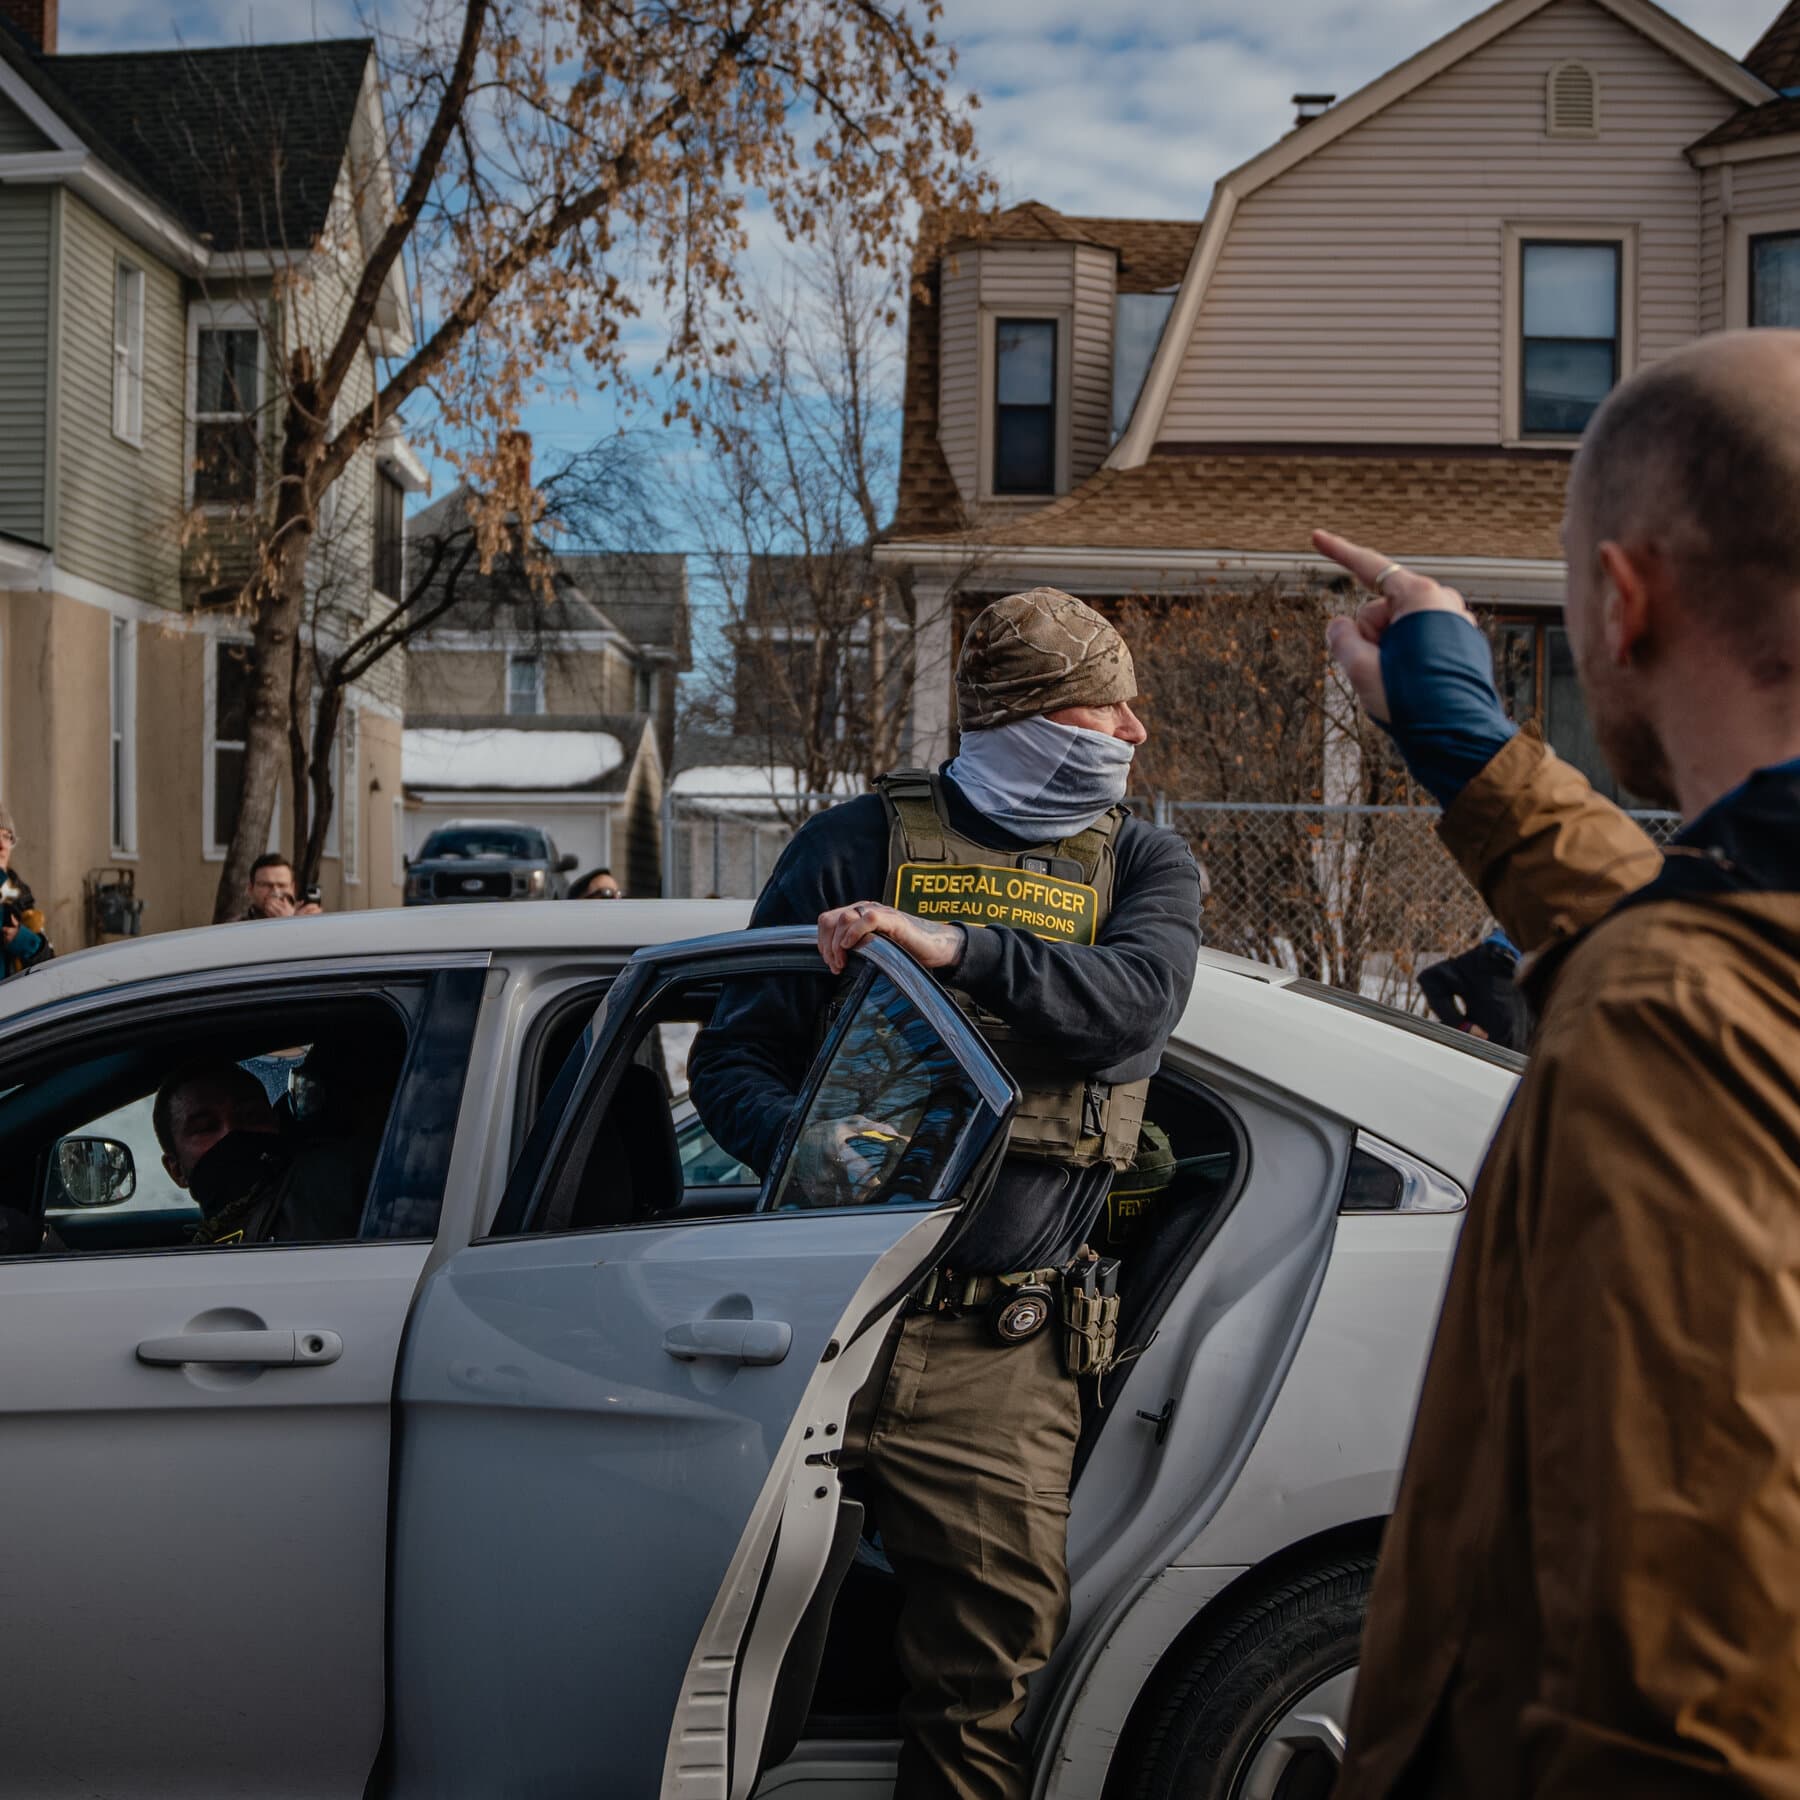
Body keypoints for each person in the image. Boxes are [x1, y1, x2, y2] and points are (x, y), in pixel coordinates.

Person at [1317, 328, 1800, 1798]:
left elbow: (1683, 1700)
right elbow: (1710, 929)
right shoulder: (1725, 963)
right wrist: (1459, 729)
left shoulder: (1668, 1018)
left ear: (1621, 595)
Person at [689, 588, 1201, 1800]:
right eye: (1105, 704)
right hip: (819, 1324)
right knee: (705, 1659)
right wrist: (822, 1158)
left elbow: (1131, 1010)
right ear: (1029, 718)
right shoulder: (854, 841)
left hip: (1001, 1346)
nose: (1135, 730)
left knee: (982, 1693)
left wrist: (951, 949)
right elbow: (732, 1059)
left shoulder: (1140, 859)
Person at [153, 1062, 363, 1246]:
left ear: (276, 1124)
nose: (232, 1133)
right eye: (206, 1127)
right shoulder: (210, 1239)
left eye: (251, 1116)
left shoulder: (327, 1186)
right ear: (176, 1170)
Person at [1416, 927, 1531, 1048]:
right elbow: (1432, 979)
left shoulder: (1538, 971)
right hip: (1481, 1057)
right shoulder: (1486, 960)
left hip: (1522, 1062)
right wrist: (1462, 1025)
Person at [0, 808, 52, 978]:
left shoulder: (20, 895)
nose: (2, 845)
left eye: (7, 837)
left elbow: (49, 962)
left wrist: (24, 941)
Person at [241, 854, 323, 919]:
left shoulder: (306, 918)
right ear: (250, 889)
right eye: (266, 885)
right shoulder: (235, 926)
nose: (275, 892)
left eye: (282, 885)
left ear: (292, 888)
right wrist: (289, 922)